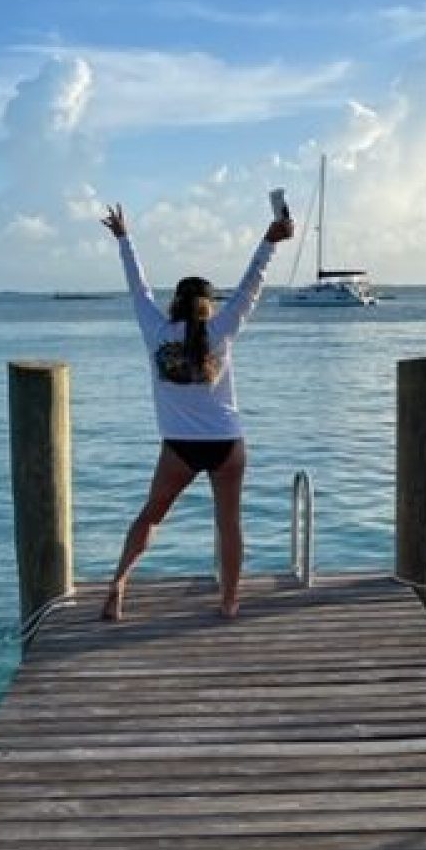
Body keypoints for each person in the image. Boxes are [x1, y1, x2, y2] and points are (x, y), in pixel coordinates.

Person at [100, 200, 293, 621]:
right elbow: (251, 286)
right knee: (229, 524)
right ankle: (228, 603)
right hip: (226, 443)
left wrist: (124, 238)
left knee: (151, 516)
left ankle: (118, 585)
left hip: (179, 448)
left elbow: (138, 287)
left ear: (176, 304)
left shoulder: (155, 331)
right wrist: (269, 241)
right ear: (208, 305)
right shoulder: (221, 330)